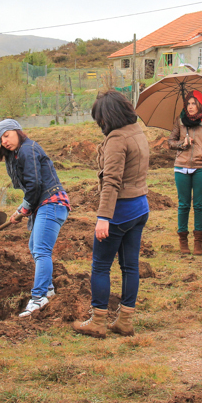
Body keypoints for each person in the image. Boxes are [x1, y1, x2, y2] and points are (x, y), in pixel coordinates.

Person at [73, 91, 149, 338]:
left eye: (100, 120)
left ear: (108, 117)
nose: (100, 125)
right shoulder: (137, 131)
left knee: (100, 266)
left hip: (120, 212)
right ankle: (125, 321)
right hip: (140, 206)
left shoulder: (117, 139)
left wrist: (103, 217)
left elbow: (112, 181)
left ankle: (98, 321)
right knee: (130, 266)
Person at [0, 119, 69, 318]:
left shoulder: (28, 149)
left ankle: (39, 297)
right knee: (35, 247)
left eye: (7, 135)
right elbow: (32, 187)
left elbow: (35, 185)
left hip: (52, 203)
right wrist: (21, 208)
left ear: (17, 132)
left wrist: (24, 210)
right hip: (45, 203)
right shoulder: (20, 152)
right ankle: (49, 290)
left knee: (41, 250)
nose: (5, 141)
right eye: (1, 139)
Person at [167, 90, 202, 255]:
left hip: (201, 167)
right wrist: (182, 144)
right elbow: (170, 142)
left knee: (199, 205)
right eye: (188, 103)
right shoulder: (181, 120)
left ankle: (198, 242)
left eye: (193, 103)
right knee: (183, 205)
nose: (190, 107)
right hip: (181, 166)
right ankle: (183, 241)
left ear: (200, 104)